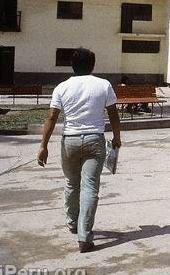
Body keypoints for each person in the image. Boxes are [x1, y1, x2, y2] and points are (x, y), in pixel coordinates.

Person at [37, 48, 121, 253]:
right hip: (95, 140)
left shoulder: (61, 87)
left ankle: (72, 223)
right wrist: (117, 138)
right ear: (92, 65)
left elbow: (51, 118)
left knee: (71, 183)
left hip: (70, 142)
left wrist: (43, 146)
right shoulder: (104, 85)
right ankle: (85, 237)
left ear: (72, 65)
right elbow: (113, 114)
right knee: (90, 187)